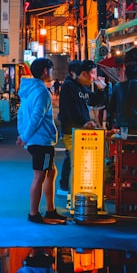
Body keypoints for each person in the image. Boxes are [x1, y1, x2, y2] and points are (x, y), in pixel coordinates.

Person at [16, 57, 68, 224]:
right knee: (40, 175)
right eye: (50, 70)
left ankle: (50, 209)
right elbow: (37, 117)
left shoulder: (28, 90)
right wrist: (24, 136)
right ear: (45, 71)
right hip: (41, 140)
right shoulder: (41, 92)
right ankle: (35, 213)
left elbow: (22, 114)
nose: (51, 73)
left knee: (51, 172)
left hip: (35, 140)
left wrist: (22, 133)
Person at [57, 60, 98, 192]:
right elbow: (70, 109)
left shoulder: (82, 88)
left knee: (73, 158)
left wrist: (103, 89)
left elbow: (95, 100)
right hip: (71, 130)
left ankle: (66, 187)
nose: (93, 77)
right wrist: (84, 122)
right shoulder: (69, 87)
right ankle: (71, 191)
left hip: (80, 130)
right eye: (91, 73)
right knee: (75, 160)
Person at [106, 62, 137, 137]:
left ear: (126, 74)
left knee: (123, 147)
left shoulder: (118, 87)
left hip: (122, 128)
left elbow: (111, 107)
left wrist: (109, 122)